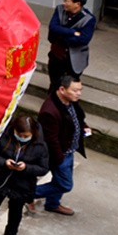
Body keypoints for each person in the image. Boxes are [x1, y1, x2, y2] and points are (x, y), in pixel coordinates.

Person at [32, 75, 88, 216]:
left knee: (59, 181)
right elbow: (51, 140)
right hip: (60, 154)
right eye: (75, 91)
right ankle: (26, 193)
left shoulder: (70, 101)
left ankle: (52, 204)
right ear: (62, 89)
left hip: (69, 150)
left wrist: (84, 127)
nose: (79, 94)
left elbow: (78, 117)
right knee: (65, 184)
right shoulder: (49, 111)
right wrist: (60, 159)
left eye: (80, 90)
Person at [46, 0, 96, 94]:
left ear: (77, 4)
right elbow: (53, 27)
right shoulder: (59, 9)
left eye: (67, 1)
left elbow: (83, 39)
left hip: (74, 58)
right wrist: (73, 32)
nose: (64, 3)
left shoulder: (89, 19)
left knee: (70, 85)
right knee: (54, 83)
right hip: (57, 54)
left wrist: (62, 37)